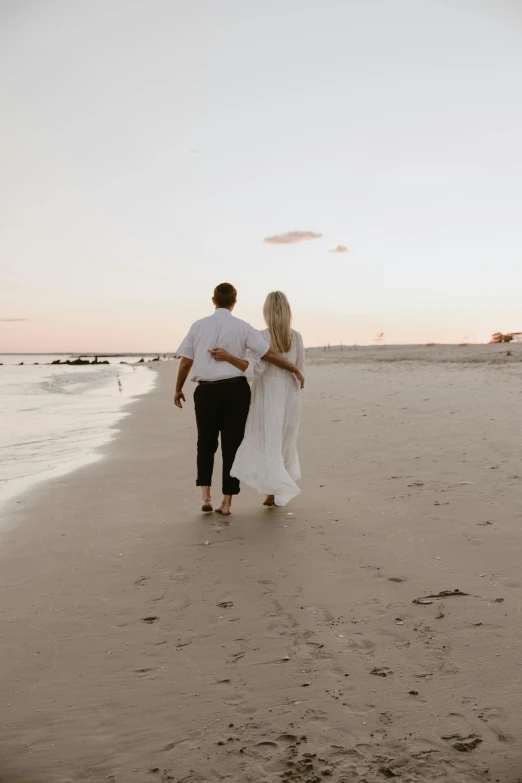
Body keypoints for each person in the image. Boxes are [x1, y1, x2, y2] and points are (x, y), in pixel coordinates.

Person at [174, 283, 304, 516]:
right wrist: (294, 369)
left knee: (205, 444)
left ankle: (205, 496)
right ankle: (227, 502)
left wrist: (178, 388)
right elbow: (270, 356)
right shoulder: (245, 328)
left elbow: (186, 361)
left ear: (213, 300)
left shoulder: (198, 325)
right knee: (233, 446)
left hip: (211, 392)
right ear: (235, 302)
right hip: (242, 391)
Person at [210, 291, 304, 507]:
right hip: (290, 394)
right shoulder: (297, 337)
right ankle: (275, 490)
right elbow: (299, 369)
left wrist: (229, 357)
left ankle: (275, 490)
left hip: (267, 394)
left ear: (267, 312)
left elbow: (255, 370)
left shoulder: (262, 336)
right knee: (284, 443)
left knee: (267, 442)